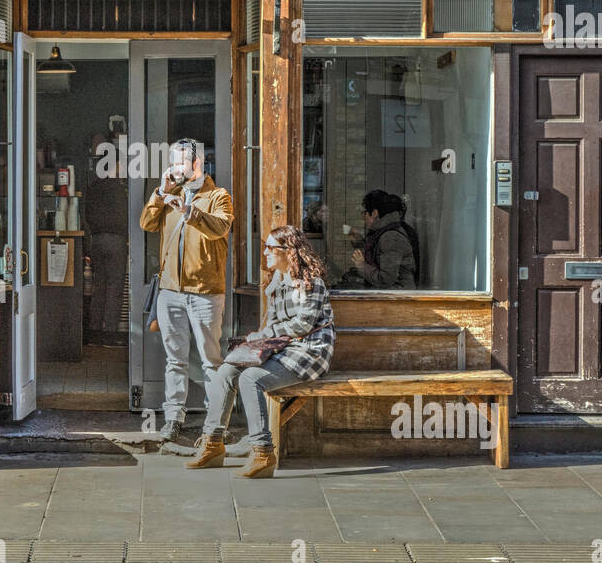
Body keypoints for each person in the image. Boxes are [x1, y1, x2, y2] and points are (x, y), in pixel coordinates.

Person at [186, 224, 335, 478]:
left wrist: (266, 334)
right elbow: (274, 324)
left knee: (250, 379)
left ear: (288, 252)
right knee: (226, 371)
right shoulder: (276, 282)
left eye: (270, 247)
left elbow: (304, 324)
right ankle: (212, 443)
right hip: (284, 348)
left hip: (310, 351)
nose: (264, 252)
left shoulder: (311, 283)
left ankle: (262, 453)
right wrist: (264, 336)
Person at [138, 138, 233, 442]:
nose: (175, 168)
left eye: (180, 162)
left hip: (205, 292)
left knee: (211, 361)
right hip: (170, 292)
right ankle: (172, 419)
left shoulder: (218, 196)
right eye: (172, 162)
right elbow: (146, 223)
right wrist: (162, 192)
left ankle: (215, 424)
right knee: (174, 360)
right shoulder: (169, 195)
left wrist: (190, 210)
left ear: (197, 163)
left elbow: (221, 227)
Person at [85, 132, 128, 345]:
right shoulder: (120, 190)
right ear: (114, 165)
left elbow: (86, 216)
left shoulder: (93, 187)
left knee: (98, 286)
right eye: (120, 164)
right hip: (117, 240)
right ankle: (110, 334)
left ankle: (94, 333)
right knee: (115, 288)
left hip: (96, 240)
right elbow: (125, 217)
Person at [339, 189, 419, 290]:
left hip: (397, 299)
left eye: (365, 213)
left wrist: (361, 266)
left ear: (375, 213)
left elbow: (385, 280)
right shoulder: (384, 233)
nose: (364, 218)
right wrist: (358, 241)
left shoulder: (390, 237)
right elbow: (377, 253)